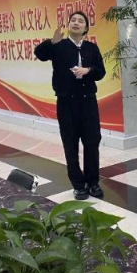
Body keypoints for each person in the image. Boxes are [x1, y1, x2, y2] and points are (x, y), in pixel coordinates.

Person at [34, 11, 106, 201]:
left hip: (88, 101)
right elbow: (39, 54)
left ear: (86, 28)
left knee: (92, 142)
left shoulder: (92, 48)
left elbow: (101, 72)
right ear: (68, 25)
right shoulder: (59, 46)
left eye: (80, 21)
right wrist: (52, 42)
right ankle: (78, 185)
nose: (76, 23)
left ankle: (93, 182)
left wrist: (87, 70)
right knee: (70, 143)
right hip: (66, 103)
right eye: (73, 20)